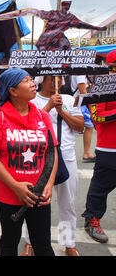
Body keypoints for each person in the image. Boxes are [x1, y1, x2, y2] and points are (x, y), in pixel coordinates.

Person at [0, 68, 58, 256]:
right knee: (9, 241)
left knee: (43, 245)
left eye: (31, 79)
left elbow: (52, 152)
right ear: (13, 91)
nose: (33, 83)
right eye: (26, 80)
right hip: (8, 194)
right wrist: (15, 186)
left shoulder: (43, 116)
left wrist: (48, 184)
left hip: (39, 195)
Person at [20, 76, 84, 256]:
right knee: (33, 203)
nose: (56, 81)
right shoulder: (31, 100)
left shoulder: (70, 99)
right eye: (51, 78)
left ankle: (68, 242)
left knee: (67, 203)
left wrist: (62, 111)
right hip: (39, 158)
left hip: (67, 156)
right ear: (42, 80)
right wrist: (48, 107)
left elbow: (80, 127)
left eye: (59, 77)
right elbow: (27, 127)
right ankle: (30, 241)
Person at [81, 52, 116, 244]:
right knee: (100, 188)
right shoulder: (100, 87)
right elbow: (97, 117)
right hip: (109, 149)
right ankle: (92, 219)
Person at [69, 76, 96, 162]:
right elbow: (83, 92)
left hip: (72, 101)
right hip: (77, 103)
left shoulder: (75, 70)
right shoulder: (80, 73)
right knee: (89, 126)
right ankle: (86, 153)